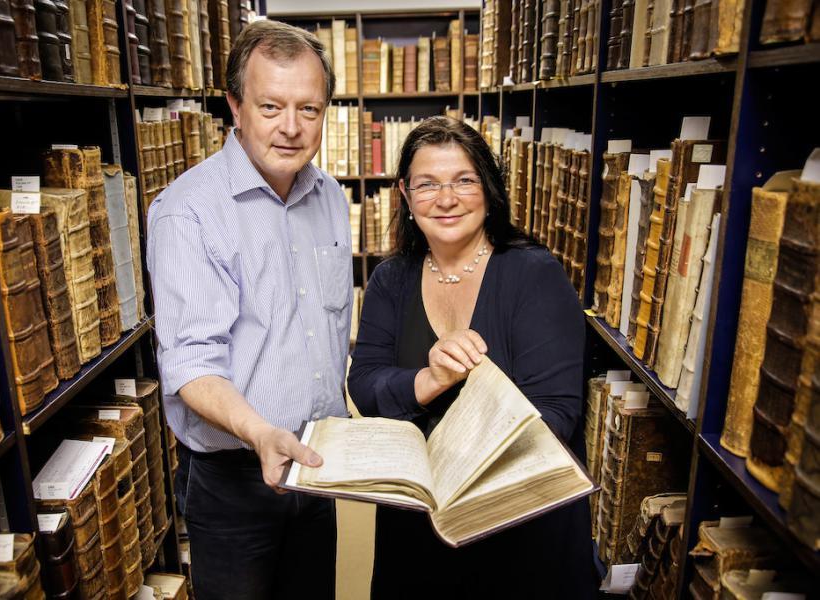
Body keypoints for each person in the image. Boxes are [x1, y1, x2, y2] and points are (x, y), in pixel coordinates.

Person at [347, 116, 596, 599]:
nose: (446, 199)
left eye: (464, 180)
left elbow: (556, 414)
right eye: (427, 184)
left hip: (517, 526)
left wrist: (457, 461)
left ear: (490, 187)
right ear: (404, 193)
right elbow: (365, 386)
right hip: (419, 527)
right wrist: (430, 376)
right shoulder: (390, 279)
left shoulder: (535, 274)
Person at [146, 20, 352, 600]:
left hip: (315, 469)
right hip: (234, 482)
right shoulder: (187, 212)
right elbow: (191, 363)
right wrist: (260, 433)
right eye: (271, 106)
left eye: (308, 109)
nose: (291, 128)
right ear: (235, 106)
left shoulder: (331, 197)